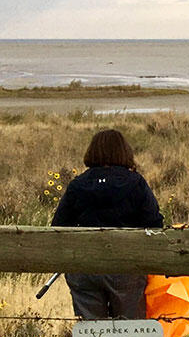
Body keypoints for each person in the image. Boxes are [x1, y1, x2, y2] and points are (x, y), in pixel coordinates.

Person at [50, 129, 165, 319]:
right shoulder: (135, 183)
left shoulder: (78, 184)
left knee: (92, 335)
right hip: (127, 268)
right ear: (124, 152)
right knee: (130, 331)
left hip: (85, 268)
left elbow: (59, 227)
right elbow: (155, 224)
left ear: (92, 152)